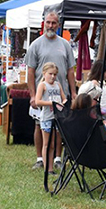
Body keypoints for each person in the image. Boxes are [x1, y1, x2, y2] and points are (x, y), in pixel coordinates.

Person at [26, 12, 76, 170]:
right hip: (42, 95)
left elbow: (70, 71)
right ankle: (40, 158)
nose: (50, 26)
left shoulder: (65, 44)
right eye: (48, 22)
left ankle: (57, 159)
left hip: (60, 95)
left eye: (54, 23)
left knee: (59, 127)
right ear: (43, 23)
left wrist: (73, 93)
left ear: (58, 25)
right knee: (39, 125)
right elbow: (30, 72)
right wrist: (33, 95)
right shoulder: (36, 44)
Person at [36, 62, 66, 174]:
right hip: (47, 117)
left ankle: (51, 168)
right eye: (50, 74)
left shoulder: (58, 85)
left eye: (54, 74)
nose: (53, 77)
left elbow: (63, 98)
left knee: (53, 143)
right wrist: (51, 103)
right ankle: (46, 168)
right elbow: (38, 101)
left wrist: (63, 103)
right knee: (46, 144)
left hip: (57, 117)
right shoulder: (42, 85)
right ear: (44, 73)